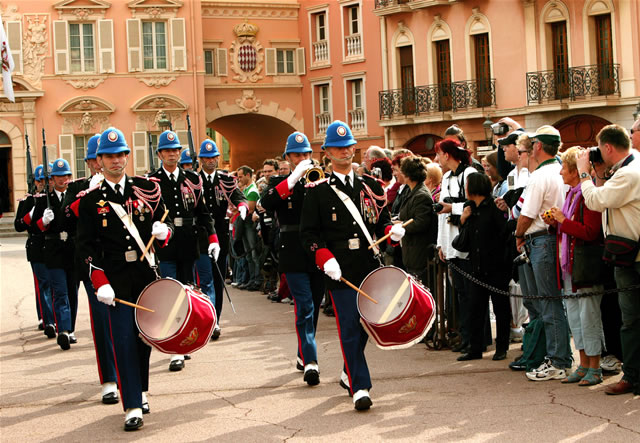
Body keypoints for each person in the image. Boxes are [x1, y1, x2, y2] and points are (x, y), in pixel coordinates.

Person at [76, 127, 172, 431]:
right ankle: (131, 405)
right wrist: (99, 281)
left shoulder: (146, 190)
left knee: (145, 338)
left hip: (145, 278)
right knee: (123, 341)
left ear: (127, 157)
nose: (116, 160)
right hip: (115, 283)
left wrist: (164, 234)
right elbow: (85, 249)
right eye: (109, 156)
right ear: (99, 160)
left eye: (121, 155)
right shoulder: (91, 202)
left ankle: (140, 391)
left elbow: (165, 230)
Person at [300, 120, 402, 411]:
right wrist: (323, 257)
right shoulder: (317, 189)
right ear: (327, 152)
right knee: (348, 326)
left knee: (368, 325)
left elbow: (380, 219)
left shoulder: (370, 185)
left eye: (348, 147)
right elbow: (308, 233)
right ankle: (361, 386)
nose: (344, 152)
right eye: (337, 148)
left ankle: (348, 370)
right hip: (339, 268)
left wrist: (392, 231)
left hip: (368, 264)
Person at [577, 122, 640, 396]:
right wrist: (599, 172)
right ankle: (634, 376)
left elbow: (594, 200)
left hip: (632, 255)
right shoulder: (626, 169)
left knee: (631, 321)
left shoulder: (629, 174)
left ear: (608, 147)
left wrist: (583, 173)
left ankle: (633, 377)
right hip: (627, 255)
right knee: (630, 320)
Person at [150, 130, 219, 371]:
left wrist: (213, 239)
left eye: (175, 150)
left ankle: (185, 340)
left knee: (187, 293)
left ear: (180, 153)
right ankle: (174, 351)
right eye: (167, 150)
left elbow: (203, 213)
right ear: (159, 154)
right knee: (171, 294)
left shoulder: (192, 179)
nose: (172, 154)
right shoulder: (152, 182)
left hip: (190, 242)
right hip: (166, 245)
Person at [261, 131, 326, 386]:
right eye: (297, 155)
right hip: (292, 250)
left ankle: (303, 351)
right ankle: (311, 360)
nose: (302, 158)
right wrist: (293, 179)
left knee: (315, 305)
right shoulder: (280, 181)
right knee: (305, 306)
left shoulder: (320, 179)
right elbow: (266, 202)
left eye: (306, 154)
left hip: (318, 250)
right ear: (288, 156)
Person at [63, 134, 118, 404]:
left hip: (120, 262)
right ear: (91, 161)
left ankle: (128, 374)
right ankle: (109, 379)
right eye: (96, 159)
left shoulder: (122, 185)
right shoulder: (77, 188)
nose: (100, 164)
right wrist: (88, 193)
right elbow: (65, 216)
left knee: (125, 321)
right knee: (101, 320)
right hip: (92, 263)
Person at [542, 147, 605, 386]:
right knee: (576, 319)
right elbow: (567, 228)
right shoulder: (571, 194)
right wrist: (554, 224)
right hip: (570, 268)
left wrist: (562, 222)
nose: (560, 172)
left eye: (564, 168)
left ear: (574, 171)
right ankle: (583, 364)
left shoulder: (588, 196)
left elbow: (590, 232)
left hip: (584, 268)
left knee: (589, 317)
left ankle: (595, 367)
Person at [515, 125, 572, 381]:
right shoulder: (559, 171)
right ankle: (558, 357)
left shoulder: (540, 176)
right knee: (552, 302)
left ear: (538, 147)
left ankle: (558, 360)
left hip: (542, 241)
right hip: (553, 239)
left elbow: (527, 213)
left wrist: (518, 236)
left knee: (548, 302)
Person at [454, 173, 512, 361]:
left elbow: (504, 233)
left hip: (496, 266)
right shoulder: (469, 208)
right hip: (476, 267)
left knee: (501, 308)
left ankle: (502, 347)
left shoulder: (494, 207)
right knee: (475, 308)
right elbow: (464, 240)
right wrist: (463, 220)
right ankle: (475, 347)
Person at [199, 139, 248, 340]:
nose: (211, 161)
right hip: (201, 235)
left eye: (214, 157)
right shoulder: (194, 180)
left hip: (220, 233)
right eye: (207, 158)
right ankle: (207, 319)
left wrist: (242, 205)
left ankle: (216, 319)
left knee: (218, 279)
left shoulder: (225, 179)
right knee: (205, 280)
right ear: (201, 159)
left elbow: (237, 195)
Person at [435, 138, 478, 353]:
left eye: (439, 153)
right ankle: (464, 336)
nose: (436, 158)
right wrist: (441, 244)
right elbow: (441, 213)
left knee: (469, 293)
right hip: (451, 242)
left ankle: (472, 338)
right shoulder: (445, 177)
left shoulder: (468, 174)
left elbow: (473, 205)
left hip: (465, 241)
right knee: (459, 292)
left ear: (447, 155)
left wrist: (452, 207)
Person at [31, 158, 76, 350]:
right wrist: (44, 221)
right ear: (52, 179)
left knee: (72, 292)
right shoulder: (43, 200)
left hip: (71, 250)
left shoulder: (75, 196)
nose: (62, 179)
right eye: (58, 176)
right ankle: (63, 330)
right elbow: (35, 228)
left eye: (65, 175)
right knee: (60, 292)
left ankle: (70, 328)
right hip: (53, 250)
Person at [14, 164, 55, 337]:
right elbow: (18, 225)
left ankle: (52, 317)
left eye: (47, 179)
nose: (43, 183)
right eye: (40, 180)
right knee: (42, 284)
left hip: (53, 246)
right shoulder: (27, 201)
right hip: (36, 247)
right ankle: (46, 319)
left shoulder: (55, 198)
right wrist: (30, 214)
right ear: (35, 182)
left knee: (55, 284)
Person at [397, 156, 437, 284]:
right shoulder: (412, 191)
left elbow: (421, 222)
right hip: (411, 253)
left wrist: (401, 226)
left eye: (401, 171)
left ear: (408, 175)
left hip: (419, 254)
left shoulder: (421, 195)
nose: (399, 174)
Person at [236, 166, 262, 291]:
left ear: (248, 175)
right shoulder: (246, 189)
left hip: (248, 225)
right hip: (244, 225)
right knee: (248, 255)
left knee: (253, 254)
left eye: (241, 176)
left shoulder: (252, 191)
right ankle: (251, 279)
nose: (239, 179)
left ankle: (256, 280)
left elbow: (249, 209)